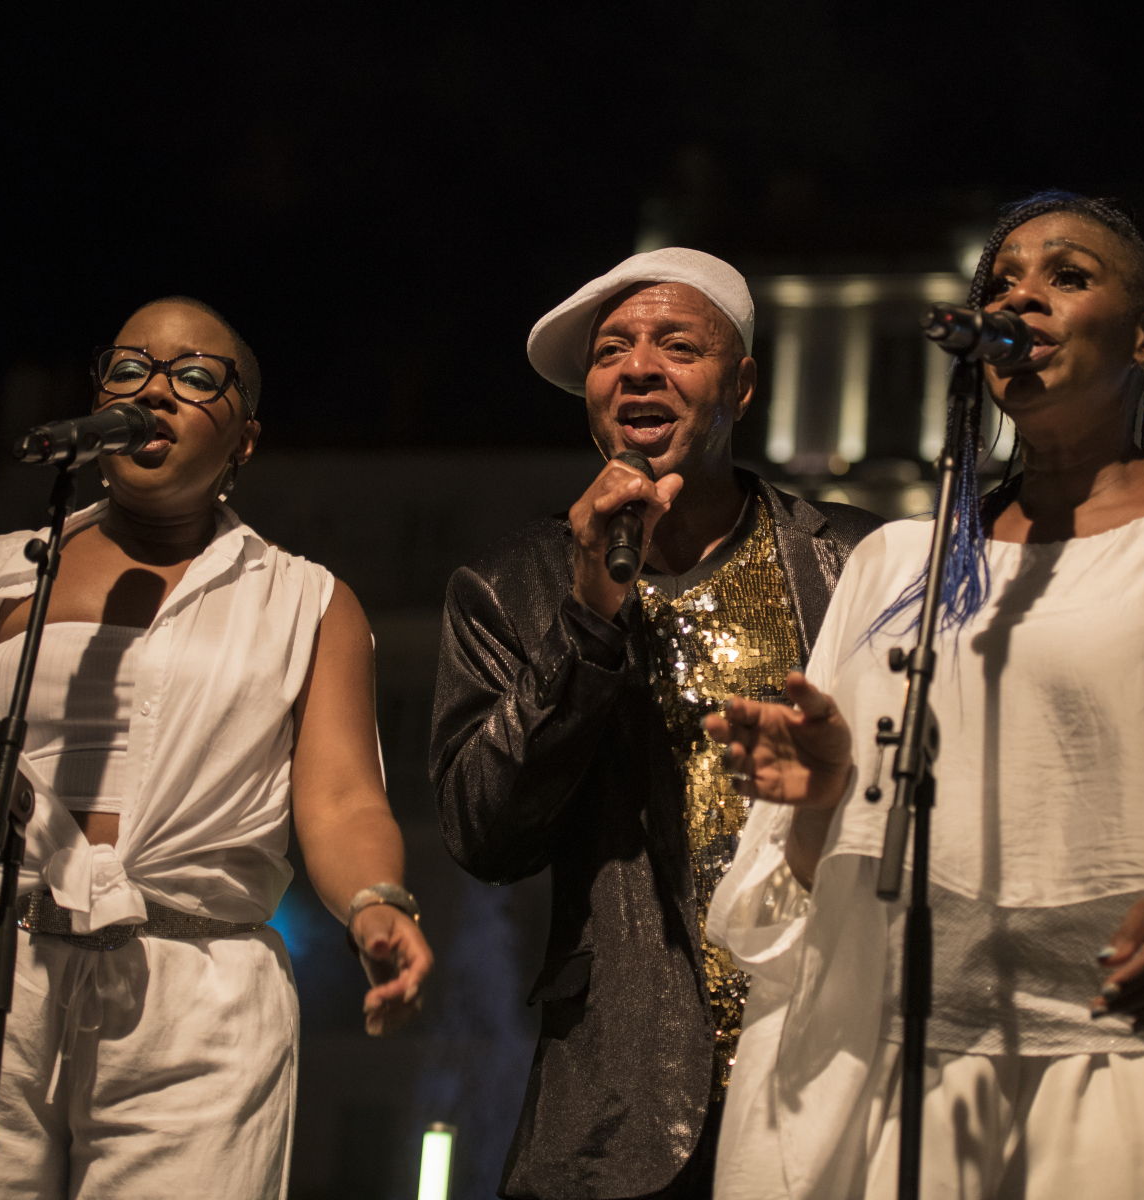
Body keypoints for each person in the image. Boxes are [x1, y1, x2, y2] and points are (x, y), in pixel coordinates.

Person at [703, 194, 1144, 1200]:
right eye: (1002, 283)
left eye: (1068, 276)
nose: (1021, 298)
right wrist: (820, 801)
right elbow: (817, 886)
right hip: (916, 1063)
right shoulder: (902, 562)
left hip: (1140, 1048)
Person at [0, 297, 433, 1199]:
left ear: (246, 440)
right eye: (130, 369)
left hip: (195, 999)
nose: (156, 391)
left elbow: (340, 800)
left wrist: (377, 904)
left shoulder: (305, 602)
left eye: (196, 377)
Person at [432, 248, 883, 1199]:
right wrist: (588, 617)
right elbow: (484, 832)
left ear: (741, 385)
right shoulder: (510, 587)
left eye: (678, 345)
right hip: (620, 1101)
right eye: (611, 352)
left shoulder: (855, 561)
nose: (638, 368)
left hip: (829, 1056)